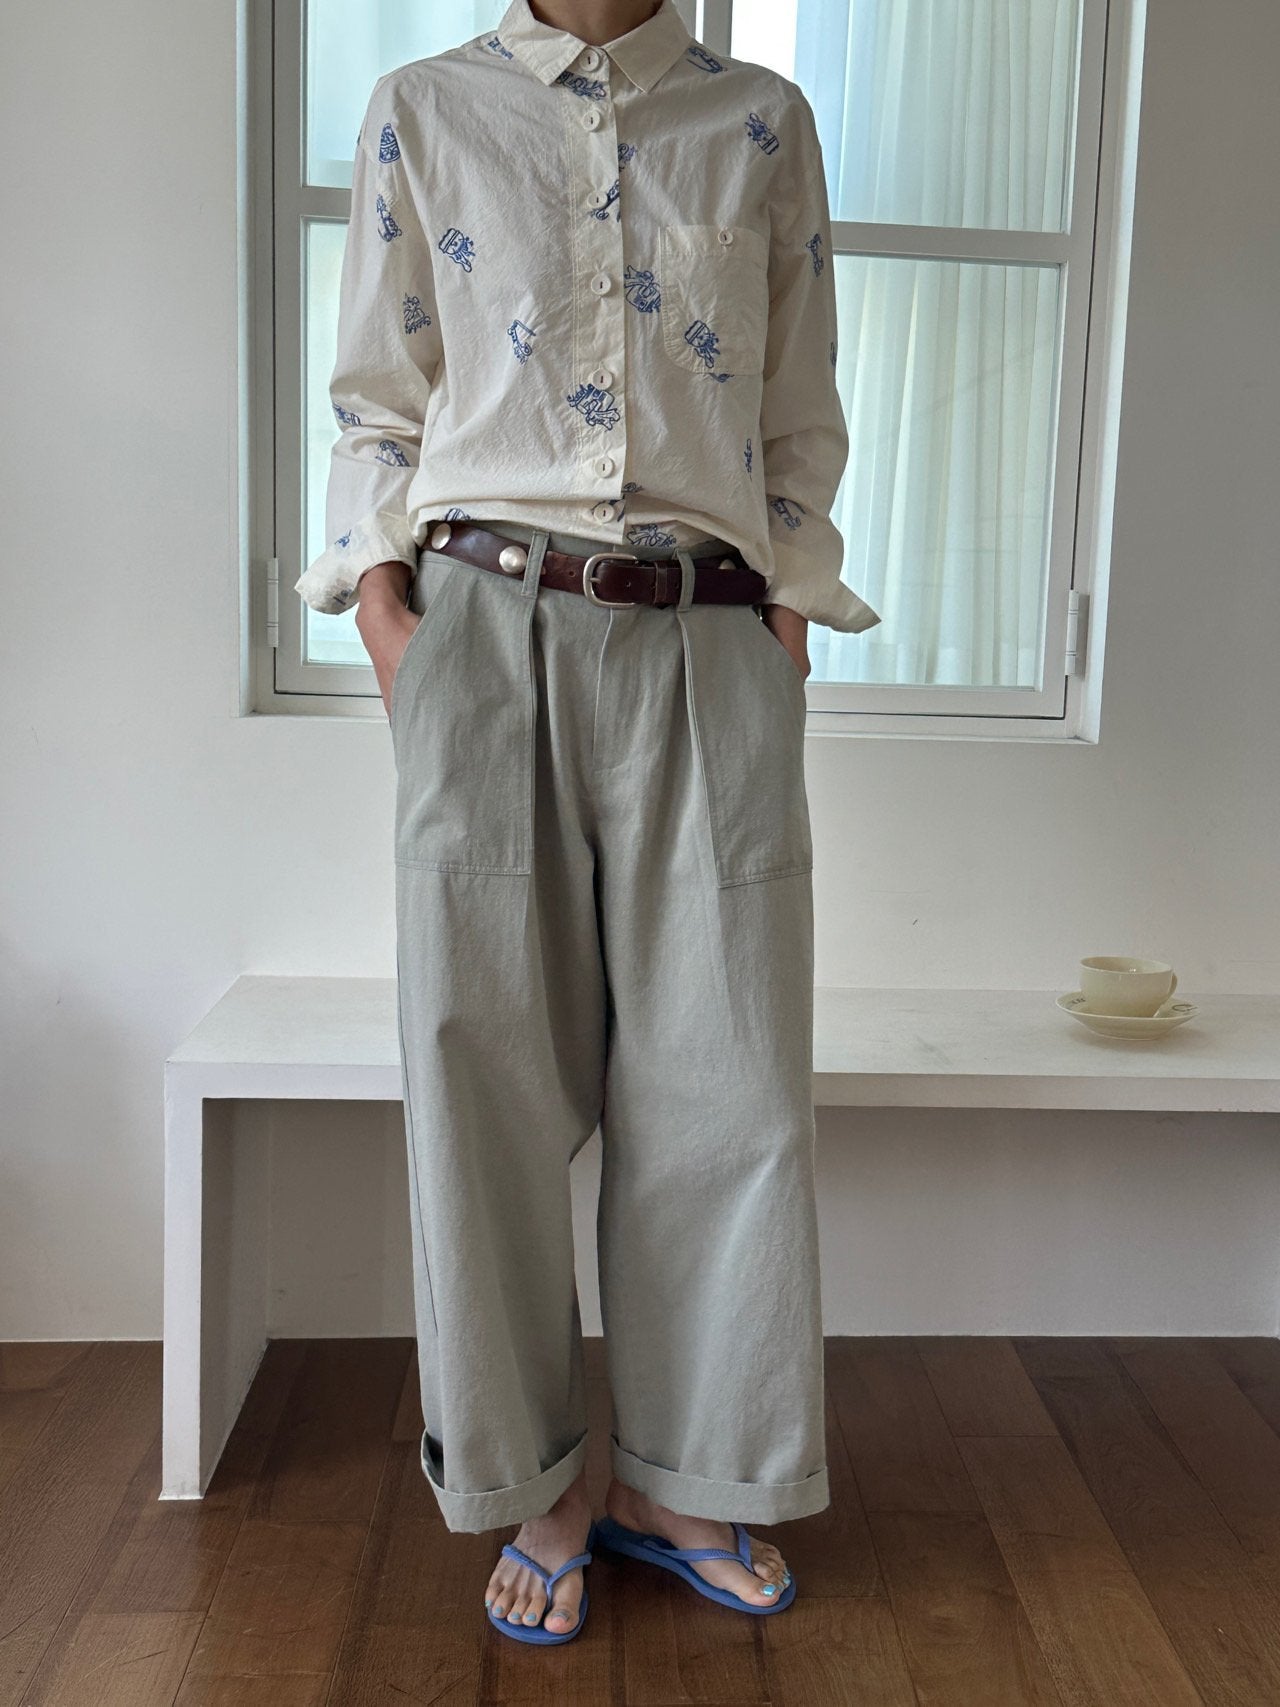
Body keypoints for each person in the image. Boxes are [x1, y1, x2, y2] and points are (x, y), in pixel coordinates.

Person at [295, 0, 880, 1647]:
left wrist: (784, 617)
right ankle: (537, 1483)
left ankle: (684, 1479)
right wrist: (390, 624)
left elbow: (799, 411)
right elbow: (379, 399)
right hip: (484, 631)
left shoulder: (760, 122)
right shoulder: (424, 109)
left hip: (713, 634)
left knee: (729, 1086)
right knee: (480, 1079)